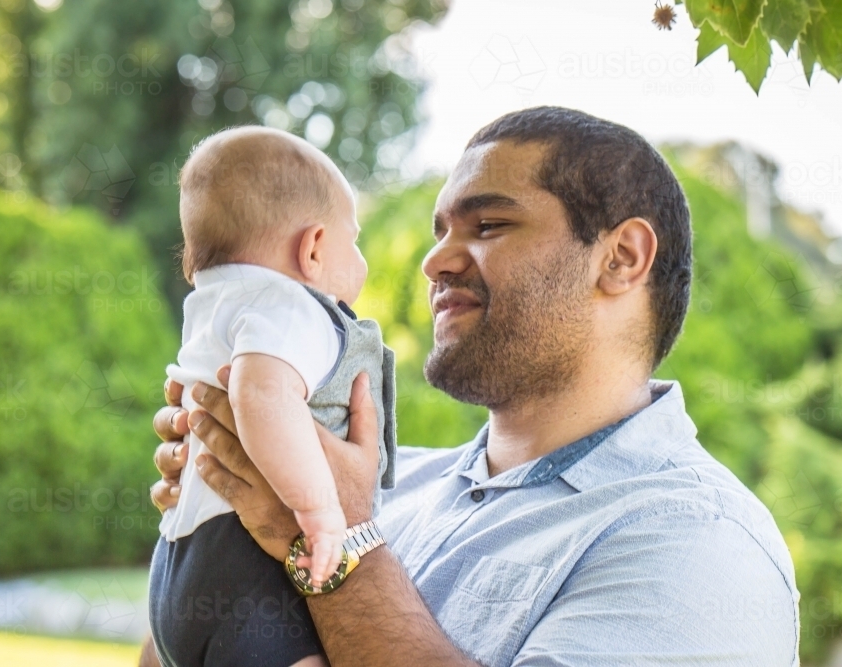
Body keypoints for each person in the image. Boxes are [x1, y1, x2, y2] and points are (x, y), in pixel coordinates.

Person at [147, 106, 801, 666]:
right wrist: (209, 514)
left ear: (621, 257)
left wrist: (337, 540)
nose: (433, 261)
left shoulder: (700, 545)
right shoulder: (383, 486)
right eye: (441, 232)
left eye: (488, 226)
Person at [149, 126, 396, 667]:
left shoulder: (212, 302)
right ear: (312, 248)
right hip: (244, 572)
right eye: (352, 241)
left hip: (177, 565)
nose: (361, 262)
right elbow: (261, 394)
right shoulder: (291, 304)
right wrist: (323, 511)